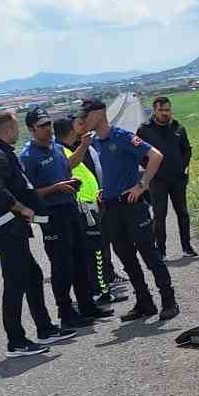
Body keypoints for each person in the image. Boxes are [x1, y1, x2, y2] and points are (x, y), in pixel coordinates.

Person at [0, 110, 76, 357]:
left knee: (32, 275)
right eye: (16, 128)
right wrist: (21, 208)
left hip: (5, 226)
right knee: (16, 282)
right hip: (5, 226)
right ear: (7, 130)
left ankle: (45, 328)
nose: (17, 133)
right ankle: (16, 341)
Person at [81, 98, 180, 323]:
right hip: (111, 208)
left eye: (86, 115)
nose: (83, 120)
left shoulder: (122, 136)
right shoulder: (94, 142)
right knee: (126, 257)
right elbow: (107, 169)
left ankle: (169, 300)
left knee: (149, 255)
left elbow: (155, 156)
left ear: (98, 114)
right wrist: (103, 190)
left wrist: (142, 184)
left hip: (131, 205)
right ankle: (144, 302)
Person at [19, 107, 113, 329]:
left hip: (71, 209)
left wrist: (83, 147)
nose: (48, 128)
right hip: (52, 215)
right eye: (42, 125)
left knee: (80, 259)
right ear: (32, 129)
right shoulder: (28, 157)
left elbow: (70, 166)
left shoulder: (57, 148)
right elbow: (28, 193)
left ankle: (86, 305)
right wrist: (56, 188)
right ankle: (65, 311)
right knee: (62, 265)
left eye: (49, 124)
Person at [54, 114, 123, 307]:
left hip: (90, 206)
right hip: (84, 208)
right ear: (71, 130)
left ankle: (98, 289)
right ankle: (101, 292)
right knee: (95, 253)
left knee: (95, 252)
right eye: (78, 124)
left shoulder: (67, 150)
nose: (82, 126)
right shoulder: (65, 152)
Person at [137, 95, 196, 257]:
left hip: (177, 179)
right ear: (154, 110)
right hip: (157, 180)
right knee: (159, 215)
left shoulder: (178, 128)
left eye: (168, 110)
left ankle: (187, 247)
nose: (165, 113)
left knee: (183, 213)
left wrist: (181, 166)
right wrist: (150, 169)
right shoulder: (144, 129)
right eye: (161, 110)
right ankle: (161, 251)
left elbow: (187, 150)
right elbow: (138, 153)